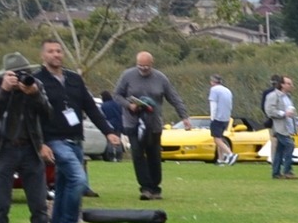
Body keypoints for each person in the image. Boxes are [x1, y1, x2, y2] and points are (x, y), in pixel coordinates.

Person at [34, 38, 119, 223]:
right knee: (78, 180)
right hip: (55, 140)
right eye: (51, 51)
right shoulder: (37, 81)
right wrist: (40, 143)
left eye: (59, 51)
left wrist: (108, 132)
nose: (56, 54)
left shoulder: (74, 79)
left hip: (75, 140)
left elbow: (90, 107)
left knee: (64, 185)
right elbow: (32, 115)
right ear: (43, 55)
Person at [0, 54, 56, 223]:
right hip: (4, 149)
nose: (21, 77)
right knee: (0, 204)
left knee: (39, 204)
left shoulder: (35, 86)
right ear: (6, 74)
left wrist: (35, 94)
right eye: (16, 74)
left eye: (25, 73)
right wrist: (4, 90)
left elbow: (49, 114)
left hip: (30, 149)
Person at [113, 50, 190, 201]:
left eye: (146, 66)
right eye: (140, 66)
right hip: (133, 123)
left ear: (152, 64)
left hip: (153, 124)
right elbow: (116, 95)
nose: (143, 69)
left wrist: (184, 116)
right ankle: (145, 188)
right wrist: (129, 105)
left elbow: (174, 97)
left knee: (154, 154)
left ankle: (155, 187)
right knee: (137, 154)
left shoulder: (161, 78)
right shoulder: (127, 75)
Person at [266, 76, 298, 179]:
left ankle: (276, 173)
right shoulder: (273, 96)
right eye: (289, 84)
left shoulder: (288, 97)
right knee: (290, 145)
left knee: (279, 150)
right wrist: (283, 113)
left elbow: (293, 112)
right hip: (279, 127)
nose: (291, 86)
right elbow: (270, 111)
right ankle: (287, 171)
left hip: (288, 127)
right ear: (282, 84)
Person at [205, 75, 235, 164]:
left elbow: (213, 105)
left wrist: (212, 117)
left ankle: (230, 154)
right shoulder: (227, 90)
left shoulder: (214, 90)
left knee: (216, 139)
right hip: (226, 117)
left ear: (212, 82)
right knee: (220, 138)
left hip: (218, 117)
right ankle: (220, 159)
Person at [98, 91, 126, 160]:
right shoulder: (117, 104)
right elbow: (122, 114)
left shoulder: (103, 105)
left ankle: (111, 156)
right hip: (119, 124)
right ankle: (119, 156)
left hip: (109, 125)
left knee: (110, 141)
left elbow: (102, 116)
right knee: (118, 140)